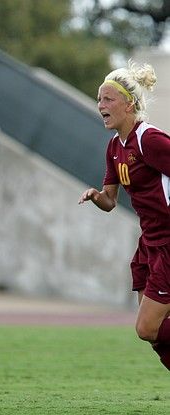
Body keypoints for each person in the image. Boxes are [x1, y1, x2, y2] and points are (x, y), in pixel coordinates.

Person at [79, 61, 170, 371]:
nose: (100, 105)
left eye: (108, 99)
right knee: (154, 334)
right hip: (149, 245)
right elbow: (110, 201)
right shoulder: (114, 147)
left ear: (129, 103)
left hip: (169, 244)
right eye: (99, 99)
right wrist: (95, 196)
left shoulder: (150, 139)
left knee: (147, 327)